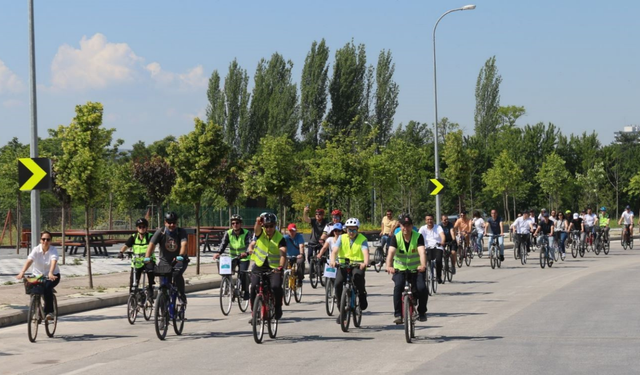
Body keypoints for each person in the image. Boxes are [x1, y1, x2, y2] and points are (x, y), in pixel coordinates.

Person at [386, 214, 428, 323]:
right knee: (398, 287)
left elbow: (422, 252)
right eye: (403, 225)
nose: (406, 228)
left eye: (408, 225)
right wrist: (389, 266)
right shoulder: (396, 237)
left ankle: (422, 312)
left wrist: (423, 265)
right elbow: (390, 252)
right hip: (400, 270)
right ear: (400, 226)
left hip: (416, 269)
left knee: (422, 288)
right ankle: (398, 314)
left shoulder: (418, 237)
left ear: (412, 226)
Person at [331, 217, 369, 322]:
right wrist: (333, 261)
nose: (351, 232)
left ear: (357, 229)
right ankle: (342, 311)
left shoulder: (362, 239)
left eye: (353, 229)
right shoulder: (342, 238)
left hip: (357, 265)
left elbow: (365, 252)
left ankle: (362, 295)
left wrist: (365, 262)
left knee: (358, 278)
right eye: (349, 229)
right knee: (338, 284)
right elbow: (334, 251)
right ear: (346, 230)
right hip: (343, 265)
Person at [16, 231, 60, 321]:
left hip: (52, 276)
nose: (45, 241)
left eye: (48, 239)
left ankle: (49, 312)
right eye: (43, 239)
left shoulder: (53, 250)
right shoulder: (36, 249)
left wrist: (51, 272)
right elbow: (30, 260)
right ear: (40, 240)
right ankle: (36, 311)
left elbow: (53, 261)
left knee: (47, 288)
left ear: (50, 241)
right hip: (38, 276)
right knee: (33, 289)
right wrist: (22, 272)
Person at [145, 212, 188, 303]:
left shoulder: (181, 232)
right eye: (169, 222)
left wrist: (180, 256)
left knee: (177, 274)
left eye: (174, 222)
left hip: (179, 260)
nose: (172, 225)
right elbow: (151, 245)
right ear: (165, 222)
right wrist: (147, 258)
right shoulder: (160, 232)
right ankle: (163, 307)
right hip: (165, 262)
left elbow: (184, 245)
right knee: (163, 283)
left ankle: (181, 295)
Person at [250, 213, 286, 320]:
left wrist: (280, 267)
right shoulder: (260, 233)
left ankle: (278, 307)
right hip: (259, 265)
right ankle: (254, 312)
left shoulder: (280, 238)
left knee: (275, 286)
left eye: (271, 226)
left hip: (274, 268)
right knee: (253, 287)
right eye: (266, 226)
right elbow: (256, 229)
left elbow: (283, 254)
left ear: (275, 226)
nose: (269, 228)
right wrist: (257, 222)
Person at [213, 214, 251, 300]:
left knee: (242, 273)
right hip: (233, 257)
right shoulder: (228, 233)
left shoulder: (246, 233)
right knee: (226, 271)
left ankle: (246, 291)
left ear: (240, 224)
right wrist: (218, 252)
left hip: (244, 257)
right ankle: (229, 287)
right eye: (233, 223)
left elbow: (249, 244)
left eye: (237, 223)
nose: (235, 225)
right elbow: (223, 243)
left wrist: (246, 252)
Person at [118, 218, 155, 296]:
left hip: (148, 260)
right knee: (133, 281)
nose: (142, 229)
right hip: (137, 262)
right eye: (140, 227)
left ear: (146, 228)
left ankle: (151, 287)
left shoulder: (150, 237)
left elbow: (152, 247)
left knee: (151, 271)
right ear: (137, 228)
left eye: (143, 227)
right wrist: (121, 252)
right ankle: (133, 297)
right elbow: (126, 245)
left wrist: (148, 257)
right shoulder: (134, 237)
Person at [419, 213, 446, 284]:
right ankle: (423, 276)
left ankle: (438, 276)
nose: (429, 221)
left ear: (433, 220)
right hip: (427, 247)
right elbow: (418, 237)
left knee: (438, 260)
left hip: (437, 246)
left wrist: (442, 241)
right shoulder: (422, 228)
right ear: (425, 221)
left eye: (431, 219)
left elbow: (442, 235)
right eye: (428, 219)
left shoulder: (438, 227)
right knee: (424, 261)